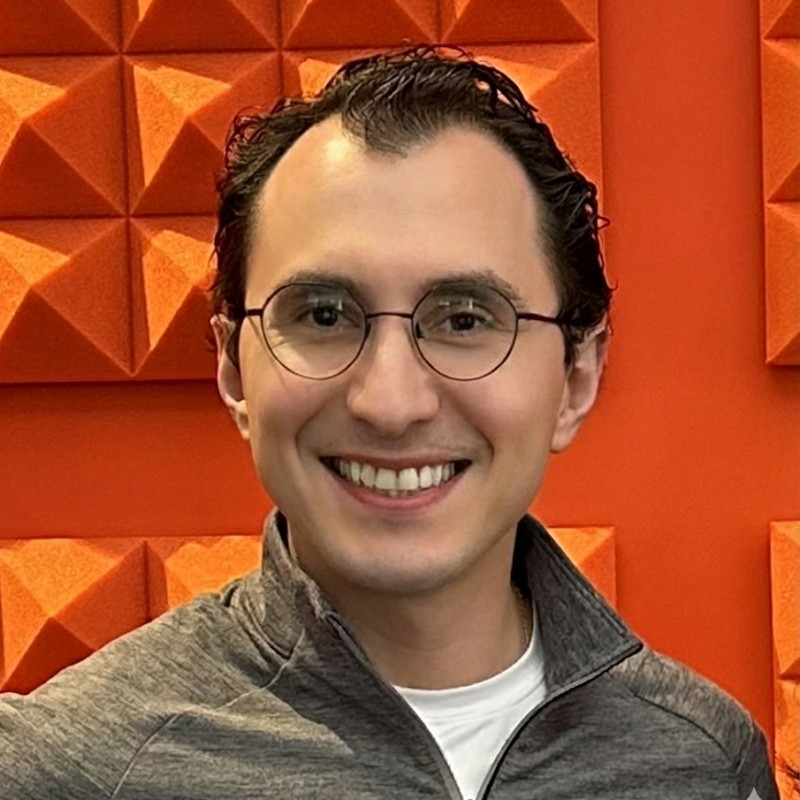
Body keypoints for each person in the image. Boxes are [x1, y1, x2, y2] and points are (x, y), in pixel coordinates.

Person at [0, 47, 778, 800]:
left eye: (466, 319)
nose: (390, 403)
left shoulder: (701, 760)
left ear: (575, 378)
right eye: (324, 314)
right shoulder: (67, 772)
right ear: (235, 368)